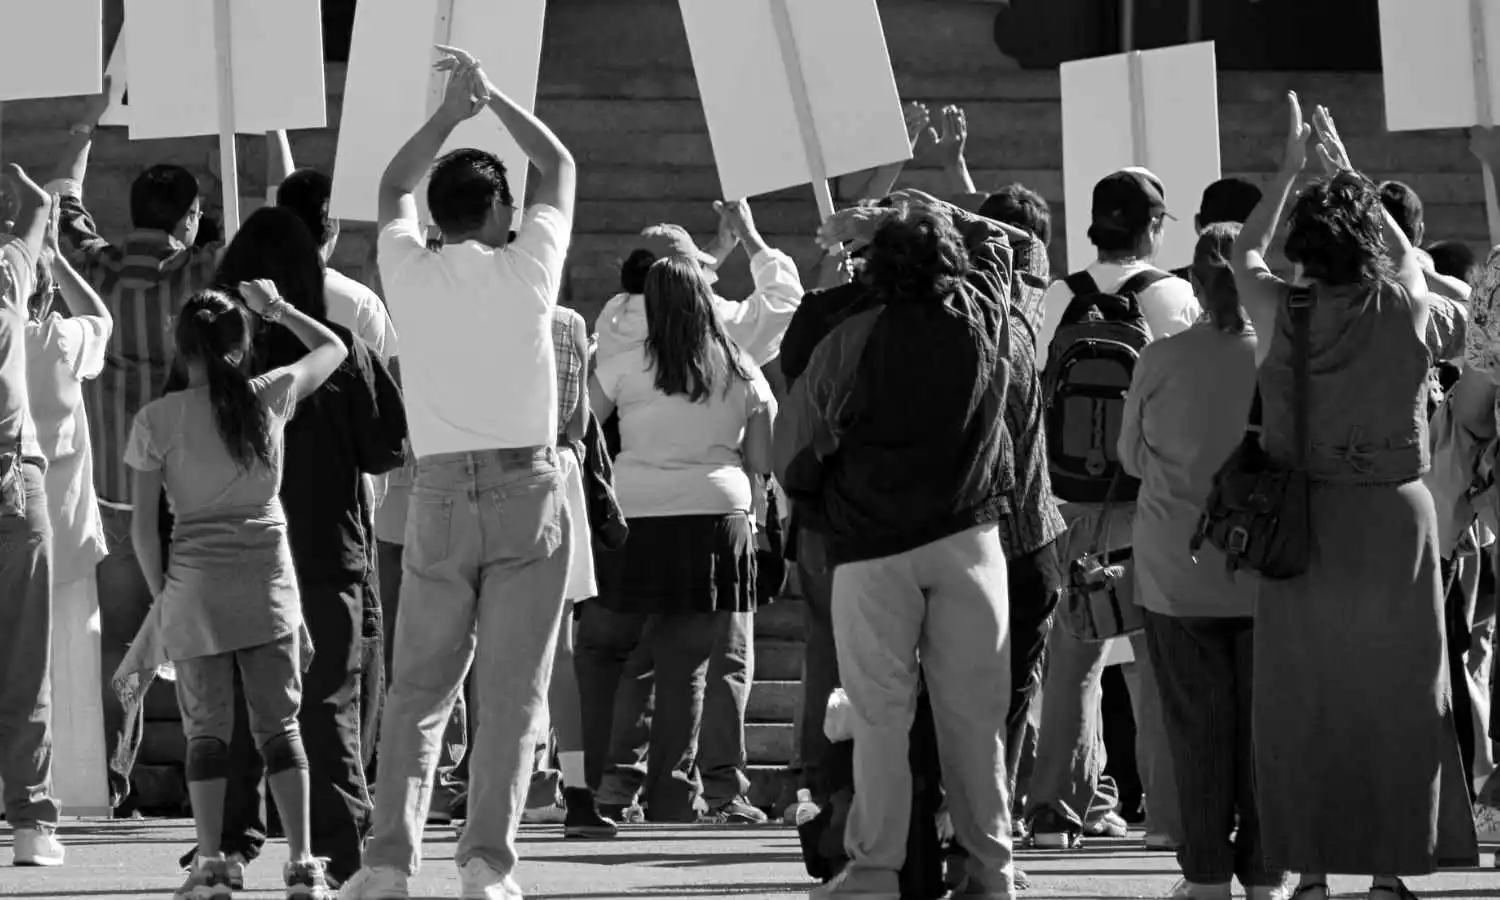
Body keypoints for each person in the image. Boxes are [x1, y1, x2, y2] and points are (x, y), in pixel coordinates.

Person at [338, 44, 577, 900]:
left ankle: (389, 864)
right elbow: (559, 161)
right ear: (503, 209)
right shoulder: (531, 266)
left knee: (416, 693)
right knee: (513, 697)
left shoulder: (409, 268)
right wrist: (494, 97)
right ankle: (485, 865)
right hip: (526, 490)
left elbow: (388, 189)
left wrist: (448, 113)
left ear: (440, 215)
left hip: (435, 491)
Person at [1230, 93, 1478, 898]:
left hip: (1303, 518)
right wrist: (1352, 179)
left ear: (1305, 251)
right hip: (1393, 517)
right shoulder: (1405, 304)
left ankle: (1306, 872)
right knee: (1398, 699)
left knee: (1302, 701)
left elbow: (1241, 253)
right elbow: (1421, 268)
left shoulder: (1280, 310)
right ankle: (1387, 871)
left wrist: (1290, 167)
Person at [45, 84, 284, 807]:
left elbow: (60, 200)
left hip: (114, 492)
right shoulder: (201, 275)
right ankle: (229, 784)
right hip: (197, 499)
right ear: (187, 220)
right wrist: (262, 121)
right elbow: (264, 213)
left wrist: (84, 122)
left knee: (123, 644)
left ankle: (112, 777)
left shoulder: (96, 270)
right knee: (220, 647)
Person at [776, 191, 1018, 899]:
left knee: (880, 718)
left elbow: (799, 455)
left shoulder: (848, 338)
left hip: (871, 545)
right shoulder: (984, 314)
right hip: (970, 537)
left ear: (874, 267)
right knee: (975, 723)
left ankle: (876, 869)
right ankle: (991, 869)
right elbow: (1009, 248)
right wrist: (929, 210)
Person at [169, 207, 408, 887]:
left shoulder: (203, 361)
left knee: (233, 705)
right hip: (326, 547)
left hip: (223, 555)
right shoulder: (331, 349)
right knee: (326, 704)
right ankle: (335, 848)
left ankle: (229, 841)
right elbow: (386, 446)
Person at [127, 283, 346, 899]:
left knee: (206, 733)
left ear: (181, 346)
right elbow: (333, 348)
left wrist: (163, 597)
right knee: (282, 726)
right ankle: (303, 865)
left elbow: (145, 531)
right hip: (267, 579)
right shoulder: (269, 395)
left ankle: (212, 866)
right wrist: (278, 310)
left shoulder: (155, 420)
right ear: (239, 344)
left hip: (194, 587)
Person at [1024, 167, 1196, 850]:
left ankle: (1052, 813)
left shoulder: (1060, 295)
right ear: (1152, 226)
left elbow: (1033, 392)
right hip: (1147, 502)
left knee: (1073, 656)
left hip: (1066, 499)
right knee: (1158, 658)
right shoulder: (1174, 296)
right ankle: (1168, 815)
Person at [1119, 223, 1288, 900]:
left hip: (1174, 567)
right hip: (1264, 569)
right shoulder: (1278, 358)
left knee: (1195, 727)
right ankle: (1268, 871)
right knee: (1263, 730)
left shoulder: (1158, 360)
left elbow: (1131, 458)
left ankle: (1207, 875)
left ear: (1192, 282)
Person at [585, 248, 778, 826]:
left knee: (636, 659)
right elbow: (760, 459)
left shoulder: (623, 364)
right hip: (716, 518)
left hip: (637, 516)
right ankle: (675, 795)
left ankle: (616, 787)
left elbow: (581, 430)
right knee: (693, 662)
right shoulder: (740, 366)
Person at [25, 203, 113, 818]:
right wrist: (55, 257)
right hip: (66, 525)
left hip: (15, 522)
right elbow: (100, 320)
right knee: (72, 669)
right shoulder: (58, 338)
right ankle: (76, 793)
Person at [0, 163, 64, 867]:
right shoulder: (7, 278)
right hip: (13, 479)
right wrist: (28, 198)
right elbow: (39, 213)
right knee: (23, 666)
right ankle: (32, 824)